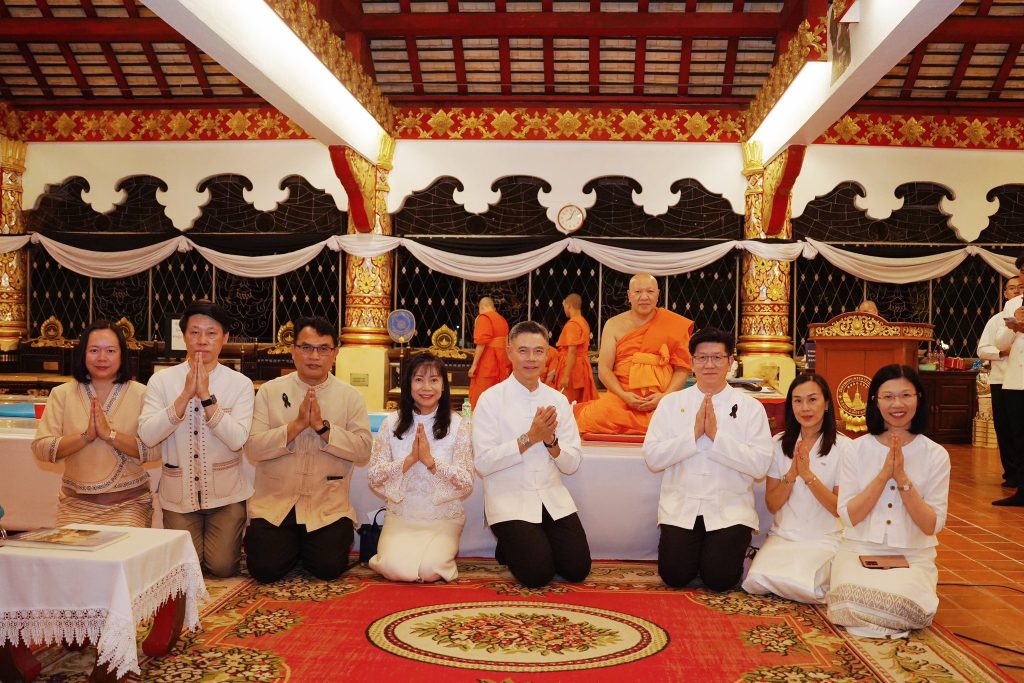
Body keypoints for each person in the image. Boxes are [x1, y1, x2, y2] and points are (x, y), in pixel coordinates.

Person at [642, 327, 772, 591]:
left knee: (719, 579)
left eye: (717, 357)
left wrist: (716, 437)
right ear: (692, 362)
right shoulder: (670, 403)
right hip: (682, 506)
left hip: (730, 508)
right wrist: (692, 436)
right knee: (675, 576)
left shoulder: (751, 408)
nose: (709, 364)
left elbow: (760, 466)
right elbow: (653, 458)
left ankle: (733, 551)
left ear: (730, 362)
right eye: (702, 358)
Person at [244, 316, 372, 583]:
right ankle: (291, 548)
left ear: (335, 354)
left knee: (327, 568)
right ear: (293, 350)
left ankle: (301, 549)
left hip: (327, 506)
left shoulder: (350, 397)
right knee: (265, 570)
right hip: (277, 503)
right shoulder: (269, 392)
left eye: (323, 349)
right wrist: (297, 426)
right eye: (306, 347)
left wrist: (323, 429)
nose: (314, 356)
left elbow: (363, 450)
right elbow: (253, 449)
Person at [827, 364, 950, 638]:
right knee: (846, 603)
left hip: (912, 555)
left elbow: (931, 525)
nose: (897, 404)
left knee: (906, 608)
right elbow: (849, 516)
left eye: (906, 395)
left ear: (919, 398)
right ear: (875, 401)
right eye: (888, 396)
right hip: (859, 549)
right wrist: (884, 475)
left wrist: (902, 478)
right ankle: (883, 621)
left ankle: (883, 618)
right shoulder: (856, 449)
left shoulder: (936, 454)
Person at [138, 300, 254, 578]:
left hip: (226, 496)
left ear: (225, 338)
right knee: (186, 570)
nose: (203, 340)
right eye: (195, 332)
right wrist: (184, 396)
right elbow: (147, 435)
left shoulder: (240, 384)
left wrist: (205, 397)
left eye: (212, 333)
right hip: (178, 496)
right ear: (184, 336)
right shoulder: (161, 381)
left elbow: (237, 440)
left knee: (222, 567)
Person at [473, 320, 591, 588]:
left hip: (550, 496)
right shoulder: (490, 399)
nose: (531, 358)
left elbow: (572, 463)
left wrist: (551, 442)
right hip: (510, 497)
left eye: (538, 351)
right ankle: (512, 543)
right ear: (509, 352)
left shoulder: (558, 400)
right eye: (523, 351)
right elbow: (483, 463)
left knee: (577, 569)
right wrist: (529, 438)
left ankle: (528, 542)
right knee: (537, 574)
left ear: (547, 354)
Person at [32, 320, 154, 527]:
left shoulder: (142, 394)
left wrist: (111, 435)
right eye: (94, 350)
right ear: (83, 354)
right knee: (68, 549)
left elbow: (154, 450)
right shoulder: (62, 394)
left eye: (110, 351)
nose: (102, 358)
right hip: (75, 504)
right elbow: (41, 448)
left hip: (129, 504)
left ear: (122, 355)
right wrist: (86, 437)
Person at [742, 373, 851, 603]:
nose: (805, 408)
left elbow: (838, 509)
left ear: (826, 404)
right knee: (756, 581)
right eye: (798, 401)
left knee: (808, 587)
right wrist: (792, 475)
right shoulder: (779, 443)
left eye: (812, 400)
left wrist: (808, 476)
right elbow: (772, 505)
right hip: (783, 536)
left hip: (824, 538)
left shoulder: (845, 447)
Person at [368, 352, 473, 582]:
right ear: (408, 384)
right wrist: (409, 460)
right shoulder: (391, 423)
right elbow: (374, 477)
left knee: (429, 570)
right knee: (393, 568)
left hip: (442, 516)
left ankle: (439, 555)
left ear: (443, 385)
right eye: (418, 379)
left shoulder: (458, 424)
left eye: (434, 380)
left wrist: (430, 462)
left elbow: (466, 482)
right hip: (402, 515)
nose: (426, 387)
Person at [574, 273, 693, 435]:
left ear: (658, 294)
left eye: (650, 291)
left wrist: (665, 397)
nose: (644, 297)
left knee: (676, 422)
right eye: (638, 292)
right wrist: (624, 395)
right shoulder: (613, 324)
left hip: (660, 399)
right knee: (594, 418)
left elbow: (682, 368)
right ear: (629, 296)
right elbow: (604, 370)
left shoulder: (673, 324)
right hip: (622, 398)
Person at [977, 276, 1021, 487]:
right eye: (1012, 288)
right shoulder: (997, 320)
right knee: (1005, 429)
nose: (1016, 291)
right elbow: (982, 350)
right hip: (1000, 380)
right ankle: (1011, 474)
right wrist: (1003, 352)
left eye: (1020, 287)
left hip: (1020, 381)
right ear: (1005, 294)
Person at [993, 255, 1024, 506]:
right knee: (1018, 436)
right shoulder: (1014, 304)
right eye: (1023, 271)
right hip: (1014, 379)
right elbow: (999, 343)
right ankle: (1021, 490)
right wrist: (1014, 326)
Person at [546, 293, 598, 405]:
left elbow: (572, 352)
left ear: (568, 305)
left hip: (572, 368)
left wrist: (566, 376)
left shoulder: (572, 324)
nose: (564, 310)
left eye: (564, 306)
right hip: (581, 365)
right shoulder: (583, 322)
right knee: (578, 401)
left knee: (566, 401)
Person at [467, 297, 512, 408]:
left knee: (482, 394)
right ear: (493, 308)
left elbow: (481, 343)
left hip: (488, 361)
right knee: (499, 395)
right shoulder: (503, 320)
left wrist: (474, 365)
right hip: (501, 362)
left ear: (481, 307)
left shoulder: (484, 318)